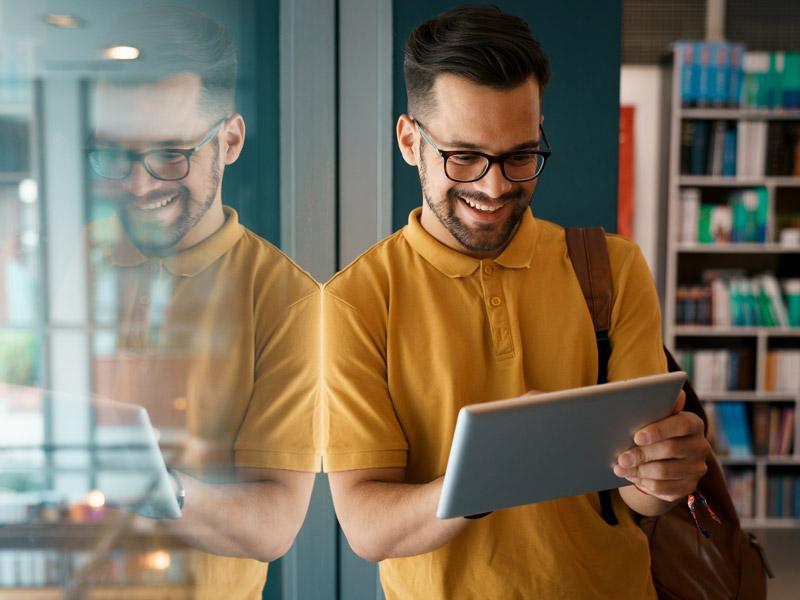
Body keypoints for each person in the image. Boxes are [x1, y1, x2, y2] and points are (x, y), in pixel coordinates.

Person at [323, 6, 709, 599]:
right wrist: (486, 474)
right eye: (464, 156)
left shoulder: (612, 268)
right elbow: (368, 527)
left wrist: (662, 476)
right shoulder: (356, 302)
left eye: (520, 156)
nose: (495, 186)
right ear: (410, 141)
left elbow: (638, 498)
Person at [84, 7, 319, 599]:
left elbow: (274, 525)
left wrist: (149, 486)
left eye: (171, 154)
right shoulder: (59, 260)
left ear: (231, 141)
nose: (139, 185)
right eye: (116, 154)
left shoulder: (287, 299)